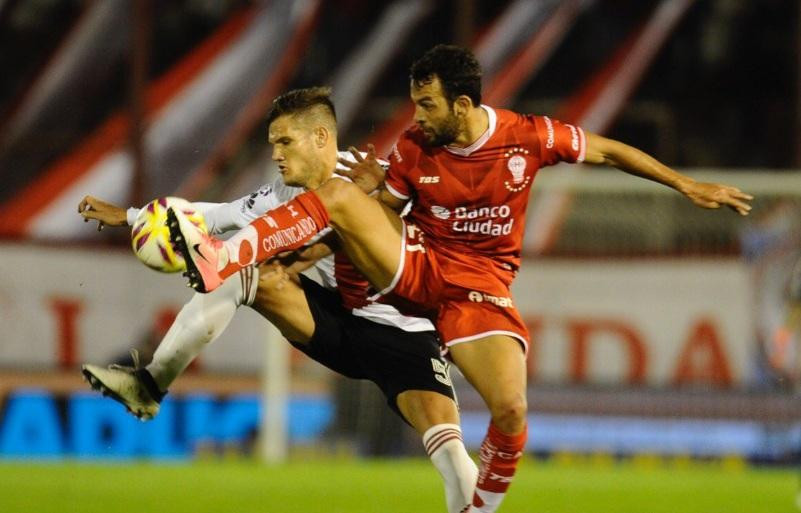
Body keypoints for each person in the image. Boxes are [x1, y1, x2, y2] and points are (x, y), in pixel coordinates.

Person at [168, 45, 754, 513]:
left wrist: (685, 184)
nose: (416, 117)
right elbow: (380, 212)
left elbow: (605, 151)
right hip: (416, 265)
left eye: (427, 105)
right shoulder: (413, 147)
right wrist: (310, 247)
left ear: (464, 103)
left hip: (480, 289)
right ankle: (225, 255)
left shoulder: (529, 137)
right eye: (416, 104)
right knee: (344, 194)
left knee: (512, 414)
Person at [79, 87, 478, 513]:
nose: (276, 154)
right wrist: (131, 216)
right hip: (337, 325)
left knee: (451, 455)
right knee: (242, 273)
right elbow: (212, 217)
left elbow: (448, 236)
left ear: (321, 137)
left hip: (405, 336)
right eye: (273, 144)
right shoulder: (277, 196)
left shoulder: (380, 182)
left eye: (285, 141)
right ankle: (150, 385)